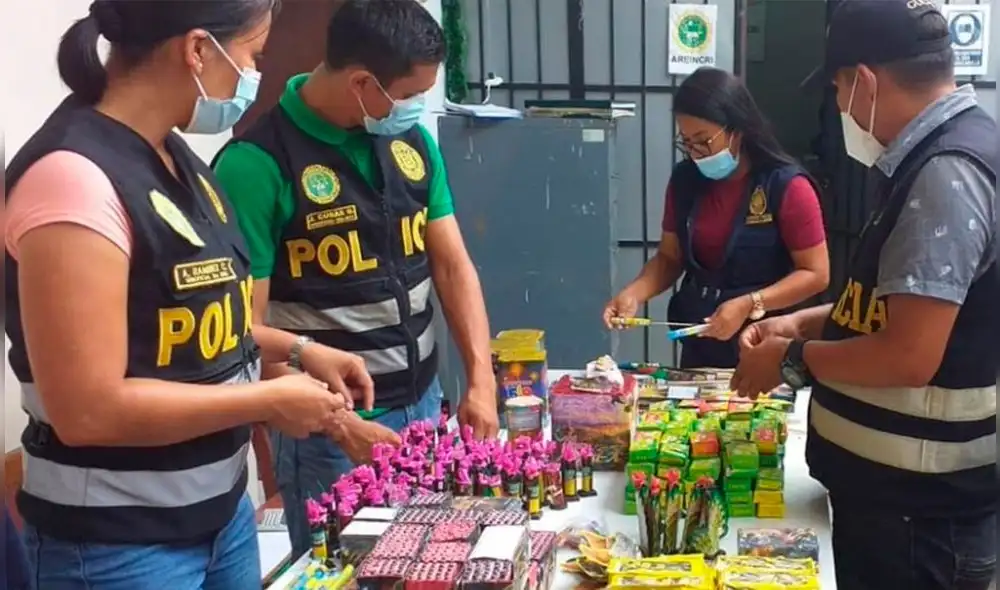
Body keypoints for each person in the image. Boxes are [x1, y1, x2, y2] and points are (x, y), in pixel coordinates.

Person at [3, 1, 379, 588]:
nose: (253, 79)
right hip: (119, 545)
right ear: (199, 49)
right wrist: (266, 402)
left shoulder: (176, 158)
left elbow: (188, 320)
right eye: (253, 56)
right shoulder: (73, 178)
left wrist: (299, 351)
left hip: (219, 517)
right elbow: (87, 408)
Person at [212, 0, 498, 559]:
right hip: (329, 431)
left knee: (434, 559)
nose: (416, 109)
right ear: (365, 83)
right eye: (411, 96)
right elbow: (245, 331)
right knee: (347, 567)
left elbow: (452, 266)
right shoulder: (256, 164)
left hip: (423, 401)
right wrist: (342, 425)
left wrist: (480, 380)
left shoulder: (411, 144)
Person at [733, 1, 997, 588]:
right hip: (896, 508)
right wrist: (802, 324)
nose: (841, 107)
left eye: (839, 89)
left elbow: (908, 354)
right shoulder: (929, 162)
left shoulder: (945, 175)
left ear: (865, 81)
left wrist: (790, 362)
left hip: (922, 524)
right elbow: (896, 309)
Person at [603, 67, 829, 368]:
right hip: (700, 346)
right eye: (687, 141)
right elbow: (670, 258)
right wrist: (633, 293)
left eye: (704, 140)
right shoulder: (685, 181)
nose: (695, 152)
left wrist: (752, 303)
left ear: (737, 131)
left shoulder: (787, 187)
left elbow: (816, 274)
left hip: (763, 347)